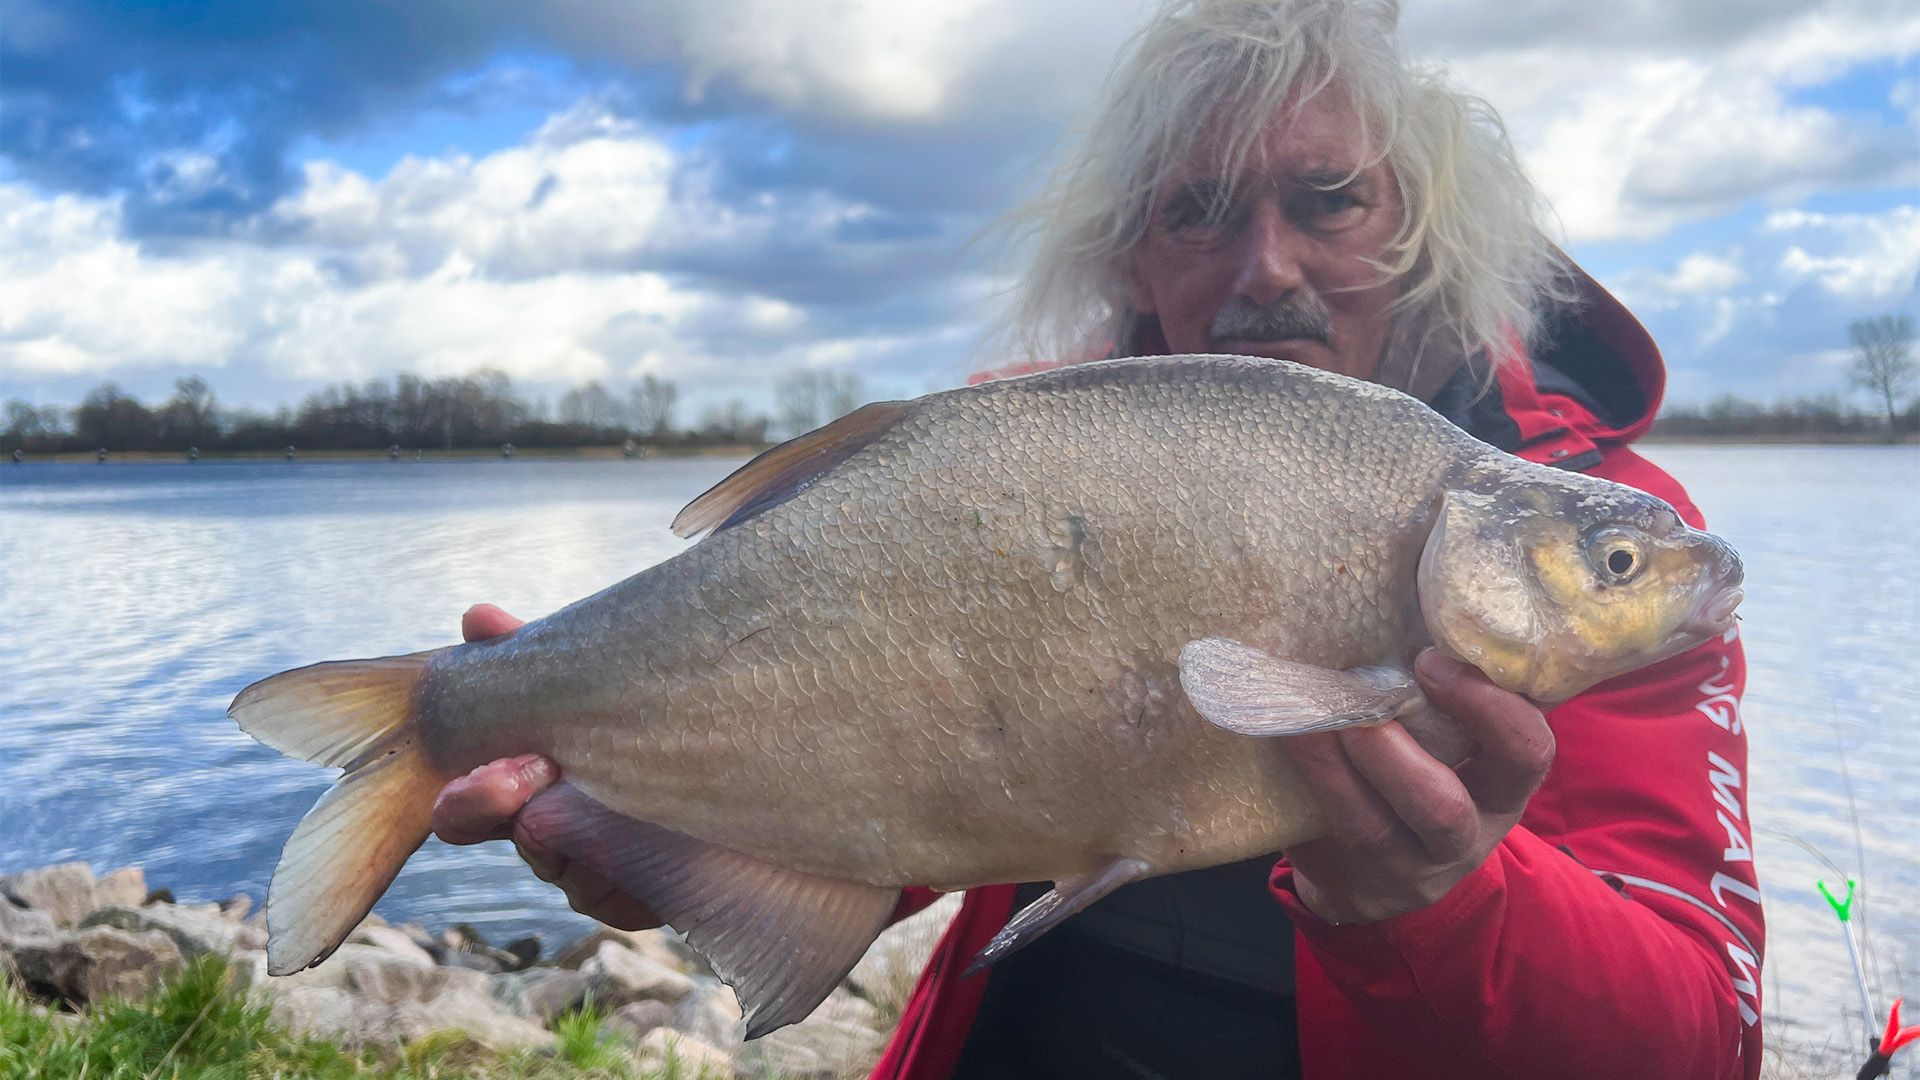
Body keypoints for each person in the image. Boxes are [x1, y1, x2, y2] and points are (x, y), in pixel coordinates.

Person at [432, 1, 1764, 1077]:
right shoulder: (1001, 453)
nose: (1266, 268)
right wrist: (664, 833)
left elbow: (1707, 1043)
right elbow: (909, 807)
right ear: (1131, 258)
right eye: (1198, 212)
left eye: (1328, 198)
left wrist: (1450, 894)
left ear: (1417, 226)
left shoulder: (1595, 537)